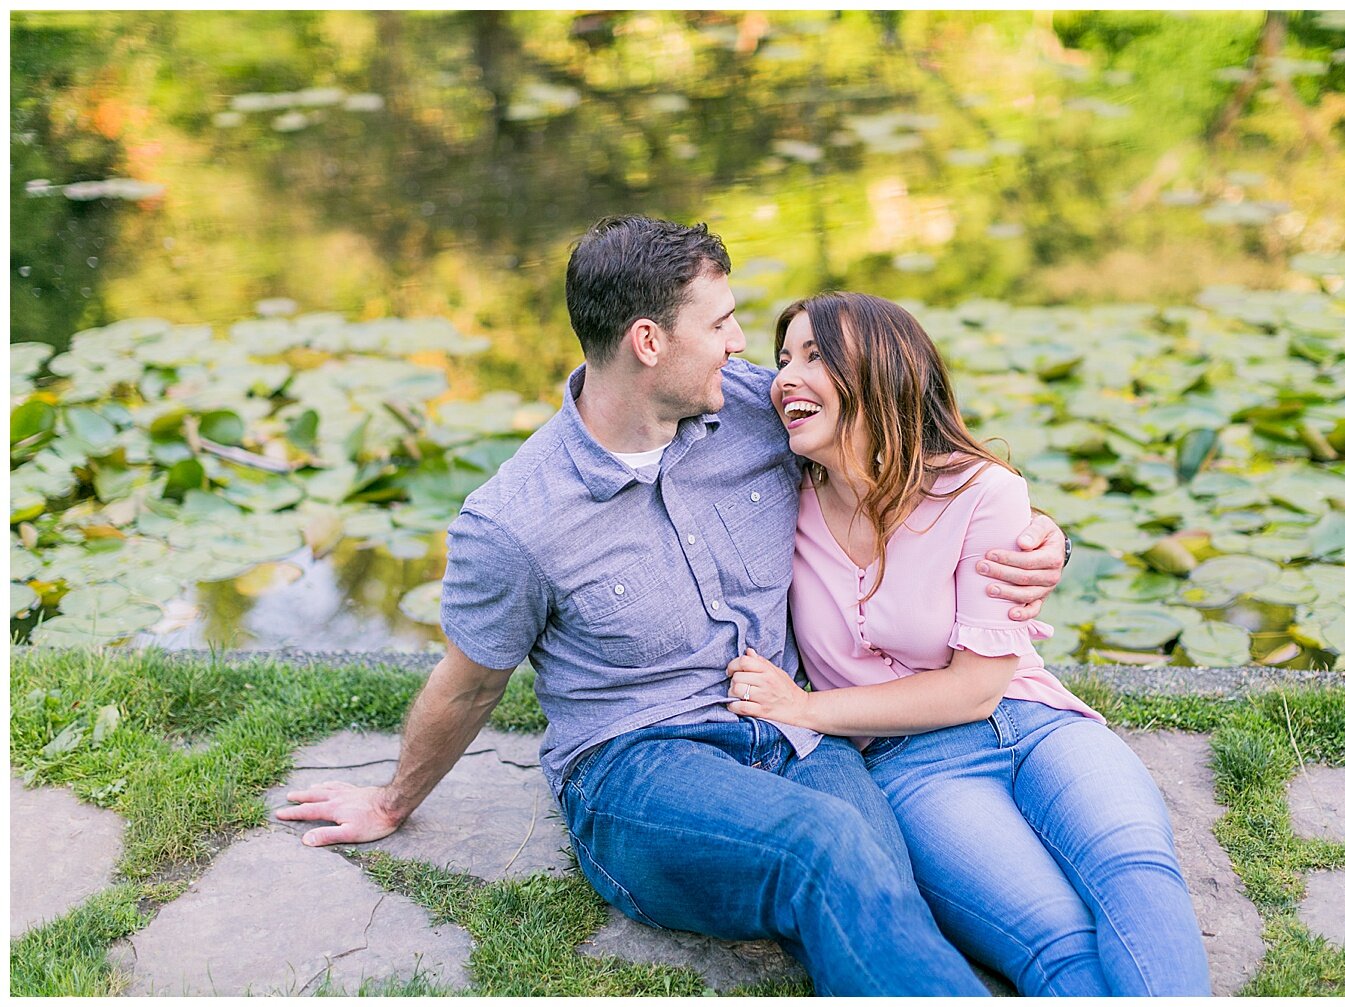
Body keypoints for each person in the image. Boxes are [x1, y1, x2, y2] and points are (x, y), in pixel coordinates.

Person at [275, 216, 1070, 995]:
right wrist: (390, 800)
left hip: (794, 729)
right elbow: (472, 682)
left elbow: (897, 440)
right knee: (824, 846)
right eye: (721, 322)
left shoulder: (760, 409)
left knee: (874, 864)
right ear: (648, 342)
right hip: (637, 764)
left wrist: (1037, 531)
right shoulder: (516, 520)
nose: (739, 343)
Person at [723, 291, 1212, 996]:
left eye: (815, 355)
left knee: (1135, 870)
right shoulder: (776, 505)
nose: (785, 377)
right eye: (782, 358)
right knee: (1057, 939)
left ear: (879, 371)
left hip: (1038, 721)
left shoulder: (983, 491)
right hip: (918, 769)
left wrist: (806, 708)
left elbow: (979, 684)